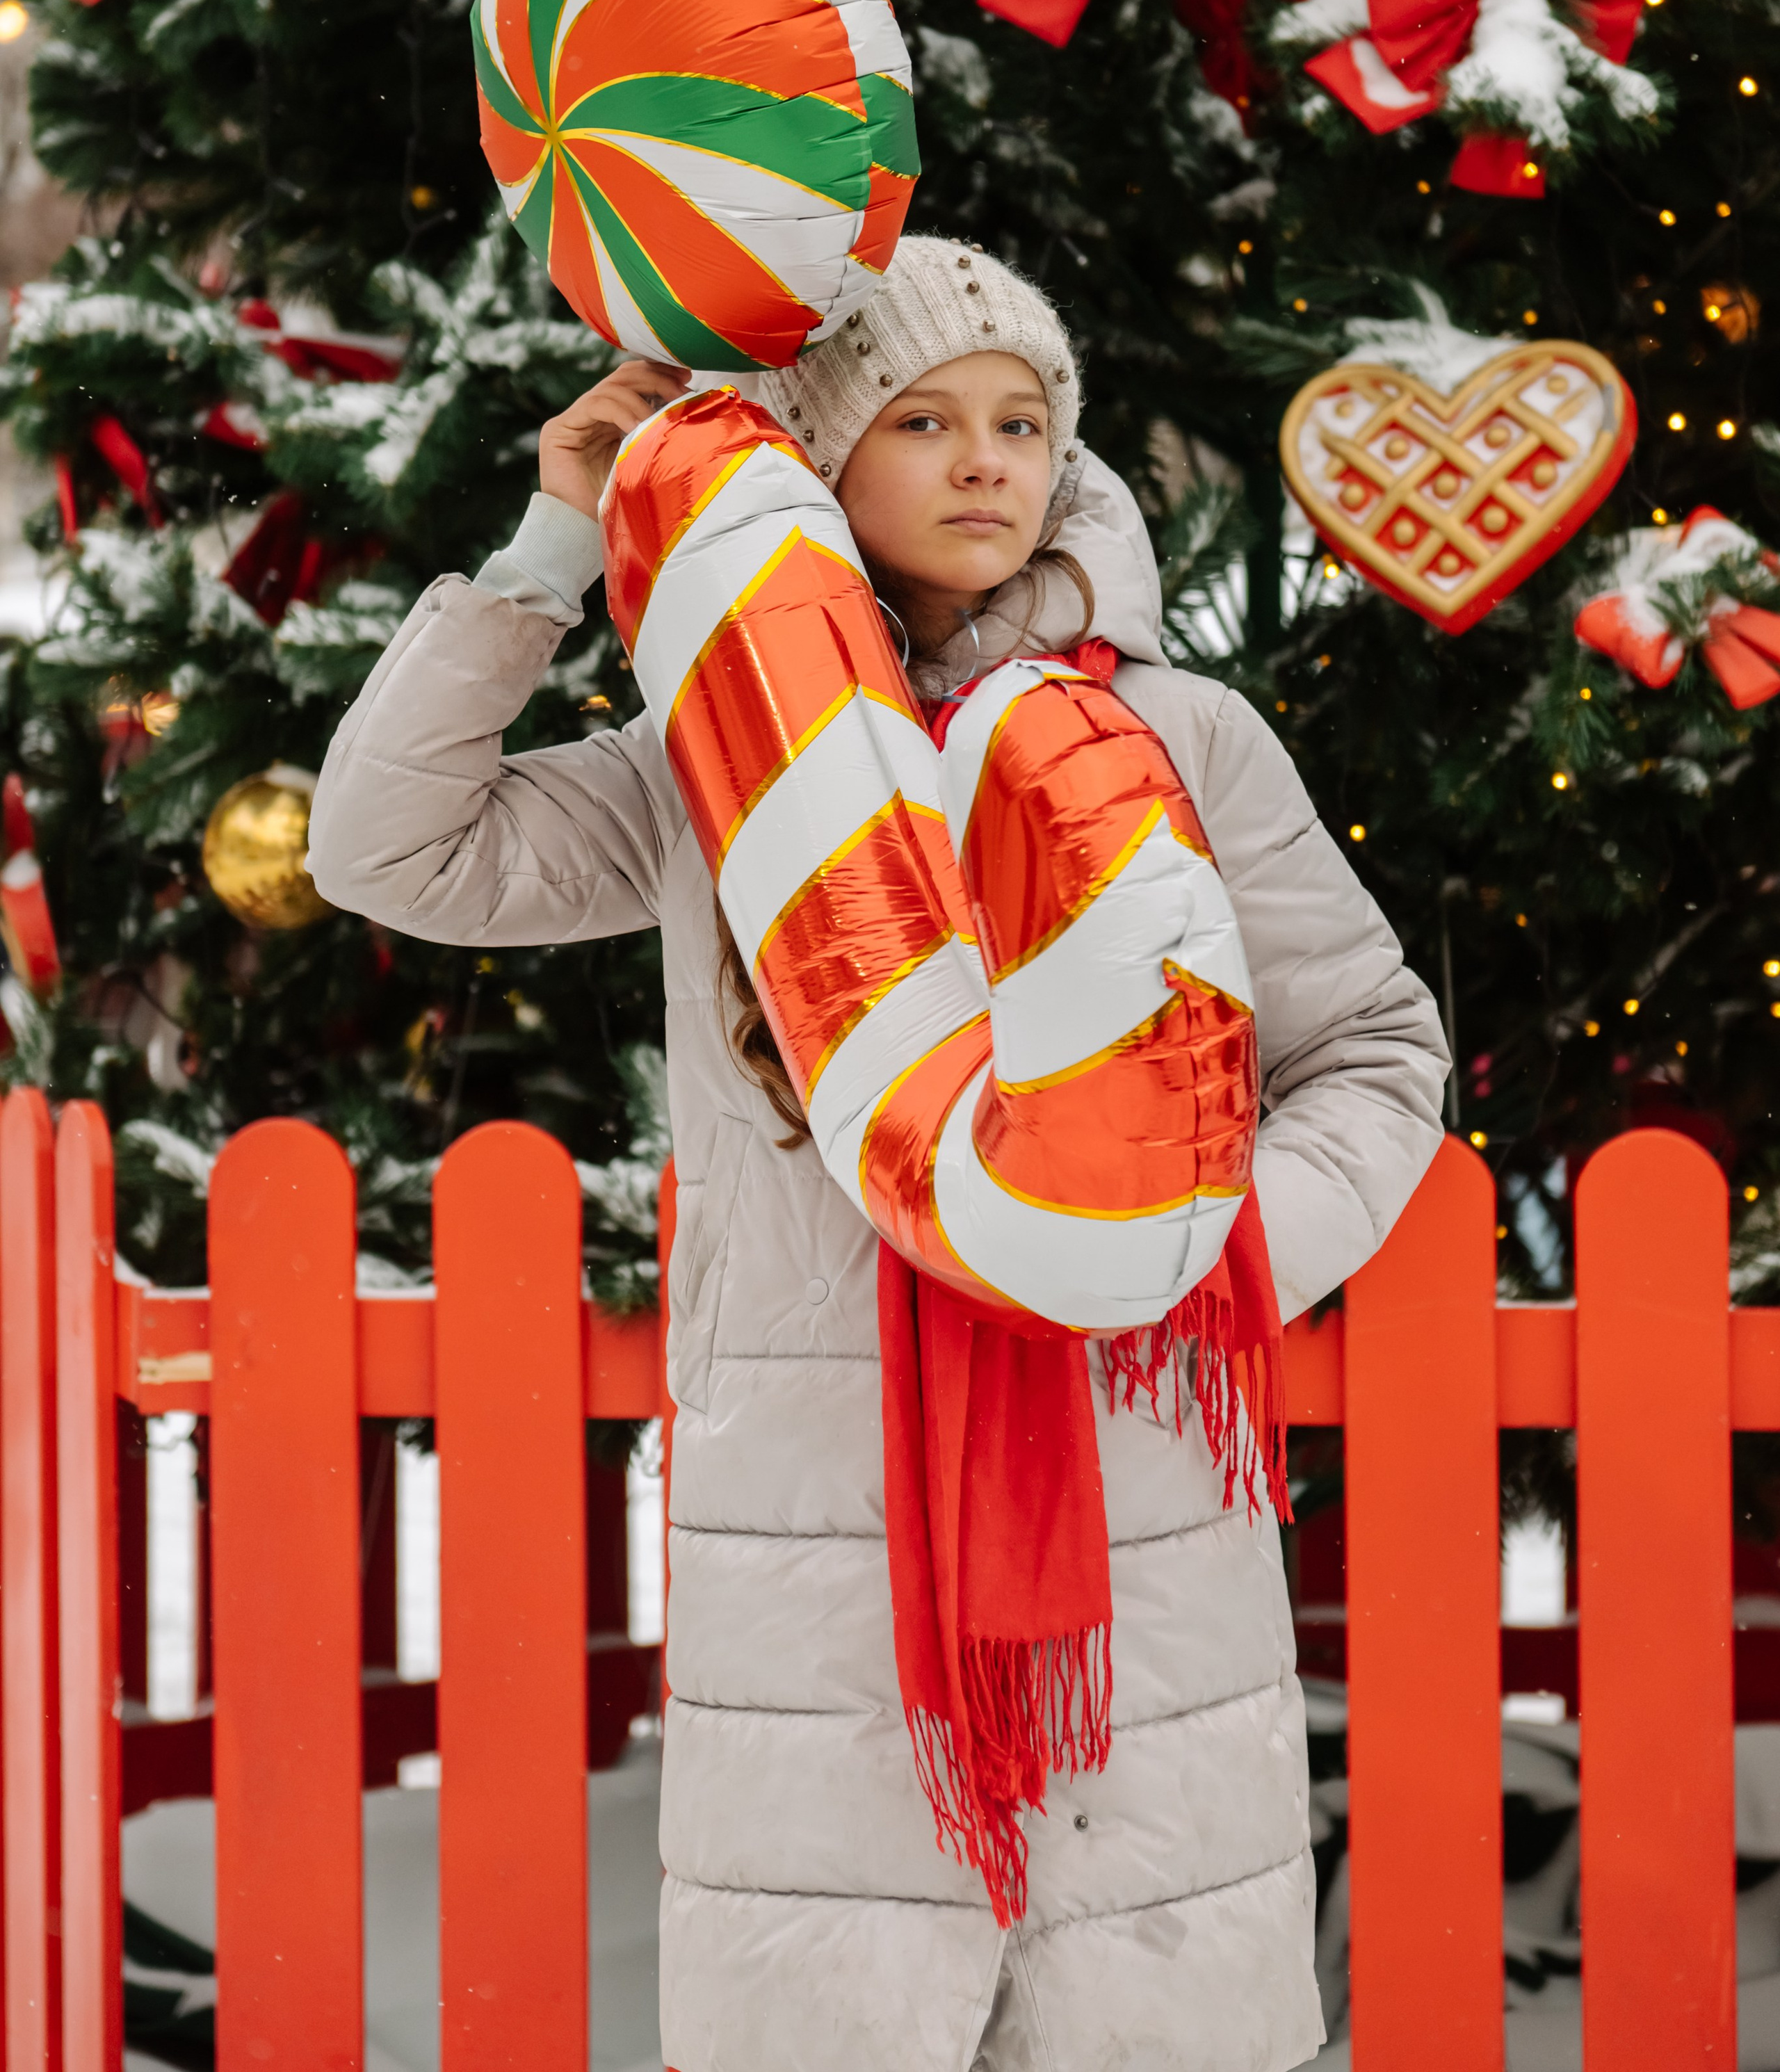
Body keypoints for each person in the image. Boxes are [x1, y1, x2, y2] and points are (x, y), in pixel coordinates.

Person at [308, 233, 1448, 2072]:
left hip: (1136, 1547)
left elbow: (1377, 1052)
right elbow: (393, 851)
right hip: (818, 1571)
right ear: (819, 458)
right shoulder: (718, 778)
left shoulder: (1184, 739)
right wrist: (545, 551)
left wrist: (1211, 1251)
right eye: (922, 418)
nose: (989, 457)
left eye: (1023, 418)